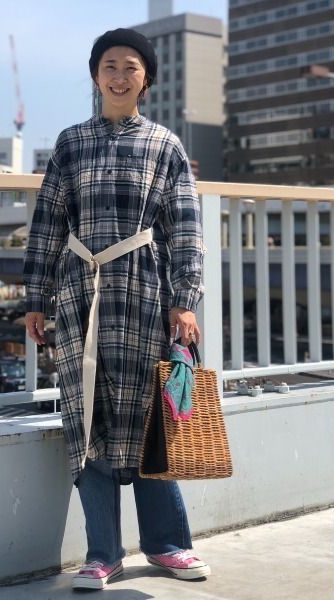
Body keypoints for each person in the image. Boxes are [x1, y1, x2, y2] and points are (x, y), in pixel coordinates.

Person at [23, 27, 209, 591]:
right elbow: (47, 223)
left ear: (146, 79)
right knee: (88, 419)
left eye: (131, 67)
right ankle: (102, 553)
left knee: (153, 416)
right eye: (110, 66)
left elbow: (186, 227)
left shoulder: (165, 145)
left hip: (144, 293)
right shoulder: (70, 143)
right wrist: (36, 298)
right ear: (95, 75)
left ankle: (167, 545)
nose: (120, 76)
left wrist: (185, 301)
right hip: (80, 294)